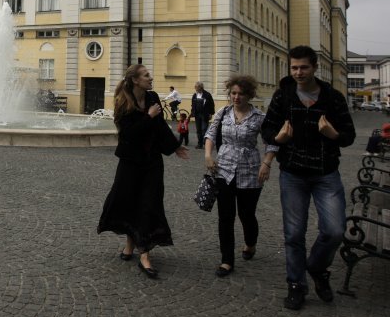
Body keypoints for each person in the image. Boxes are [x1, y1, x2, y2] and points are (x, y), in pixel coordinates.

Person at [261, 45, 355, 310]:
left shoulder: (333, 98)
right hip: (292, 174)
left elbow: (349, 136)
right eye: (294, 67)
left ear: (315, 67)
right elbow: (267, 129)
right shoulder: (283, 96)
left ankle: (316, 267)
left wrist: (333, 134)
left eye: (303, 67)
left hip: (326, 174)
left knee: (335, 230)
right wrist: (277, 139)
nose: (298, 72)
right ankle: (296, 284)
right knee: (294, 234)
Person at [98, 64, 190, 279]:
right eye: (146, 75)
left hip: (151, 161)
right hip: (130, 162)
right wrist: (147, 117)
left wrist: (174, 146)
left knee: (149, 203)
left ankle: (144, 253)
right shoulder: (123, 101)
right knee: (128, 200)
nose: (151, 78)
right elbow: (128, 134)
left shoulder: (152, 97)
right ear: (136, 80)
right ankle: (131, 243)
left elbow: (160, 127)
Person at [204, 75, 276, 277]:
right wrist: (208, 155)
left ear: (249, 95)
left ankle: (250, 243)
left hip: (250, 171)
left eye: (240, 94)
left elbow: (271, 142)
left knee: (246, 214)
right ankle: (227, 260)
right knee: (225, 217)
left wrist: (266, 163)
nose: (236, 97)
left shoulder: (259, 117)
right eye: (233, 93)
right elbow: (210, 134)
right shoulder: (223, 112)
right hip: (224, 169)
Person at [190, 81, 216, 149]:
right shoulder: (195, 95)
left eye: (196, 87)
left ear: (200, 87)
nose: (195, 88)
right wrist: (192, 112)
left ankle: (206, 142)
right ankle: (200, 144)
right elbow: (193, 105)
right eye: (195, 87)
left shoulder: (207, 95)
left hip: (205, 114)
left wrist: (211, 113)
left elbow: (211, 104)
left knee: (204, 129)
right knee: (198, 130)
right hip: (197, 114)